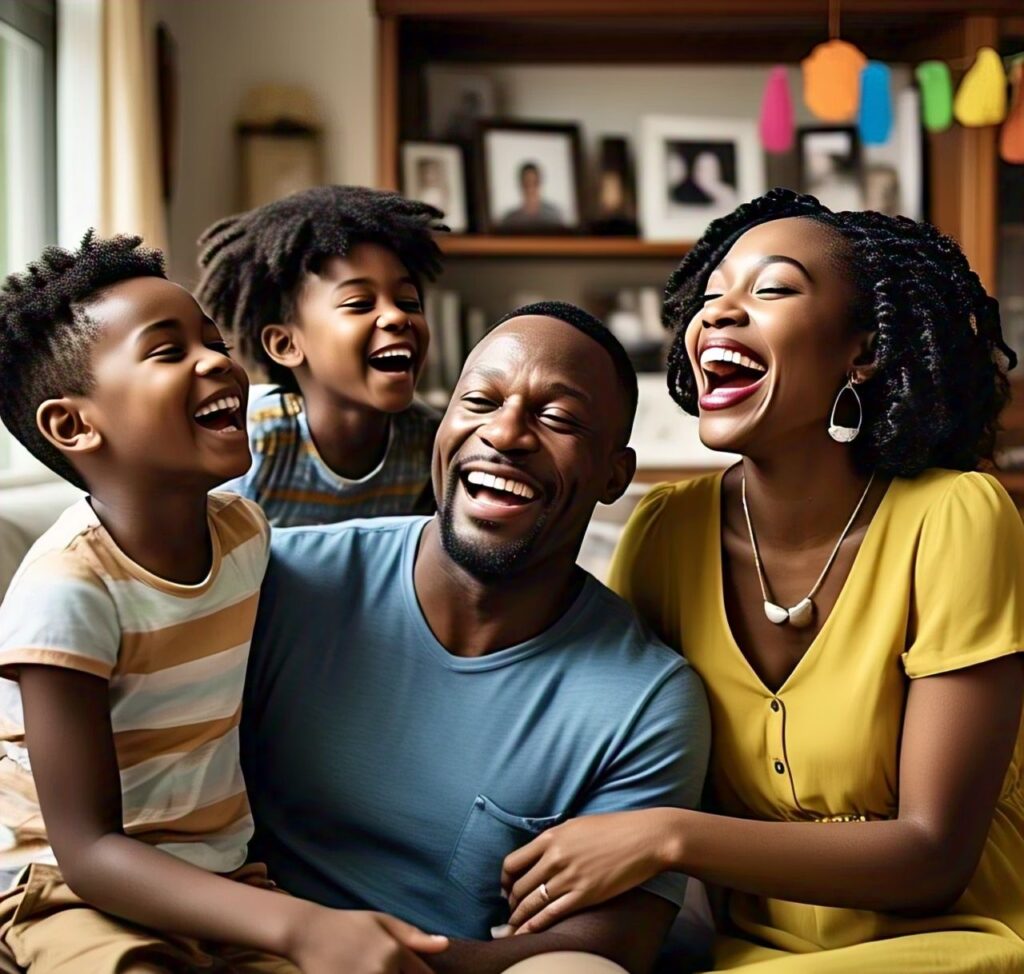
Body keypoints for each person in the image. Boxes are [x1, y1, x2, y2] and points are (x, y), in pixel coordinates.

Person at [499, 189, 1024, 973]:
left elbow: (934, 856)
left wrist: (667, 837)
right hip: (740, 957)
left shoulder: (957, 517)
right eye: (709, 299)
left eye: (770, 289)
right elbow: (613, 755)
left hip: (962, 943)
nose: (718, 316)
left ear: (865, 350)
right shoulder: (664, 533)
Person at [0, 232, 449, 972]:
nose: (219, 361)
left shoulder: (245, 533)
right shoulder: (67, 589)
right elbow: (87, 849)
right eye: (167, 351)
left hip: (221, 880)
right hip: (66, 892)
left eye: (211, 341)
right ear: (74, 424)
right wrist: (302, 926)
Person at [241, 301, 711, 973]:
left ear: (615, 473)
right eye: (481, 401)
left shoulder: (648, 700)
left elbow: (607, 947)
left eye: (557, 417)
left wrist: (395, 963)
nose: (507, 432)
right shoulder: (285, 580)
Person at [196, 185, 444, 527]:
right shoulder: (250, 438)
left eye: (408, 303)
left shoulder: (431, 444)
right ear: (286, 345)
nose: (397, 317)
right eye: (359, 303)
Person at [499, 164, 565, 230]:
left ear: (539, 183)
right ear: (521, 184)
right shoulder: (510, 220)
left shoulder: (553, 216)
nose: (530, 188)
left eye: (534, 182)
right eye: (527, 183)